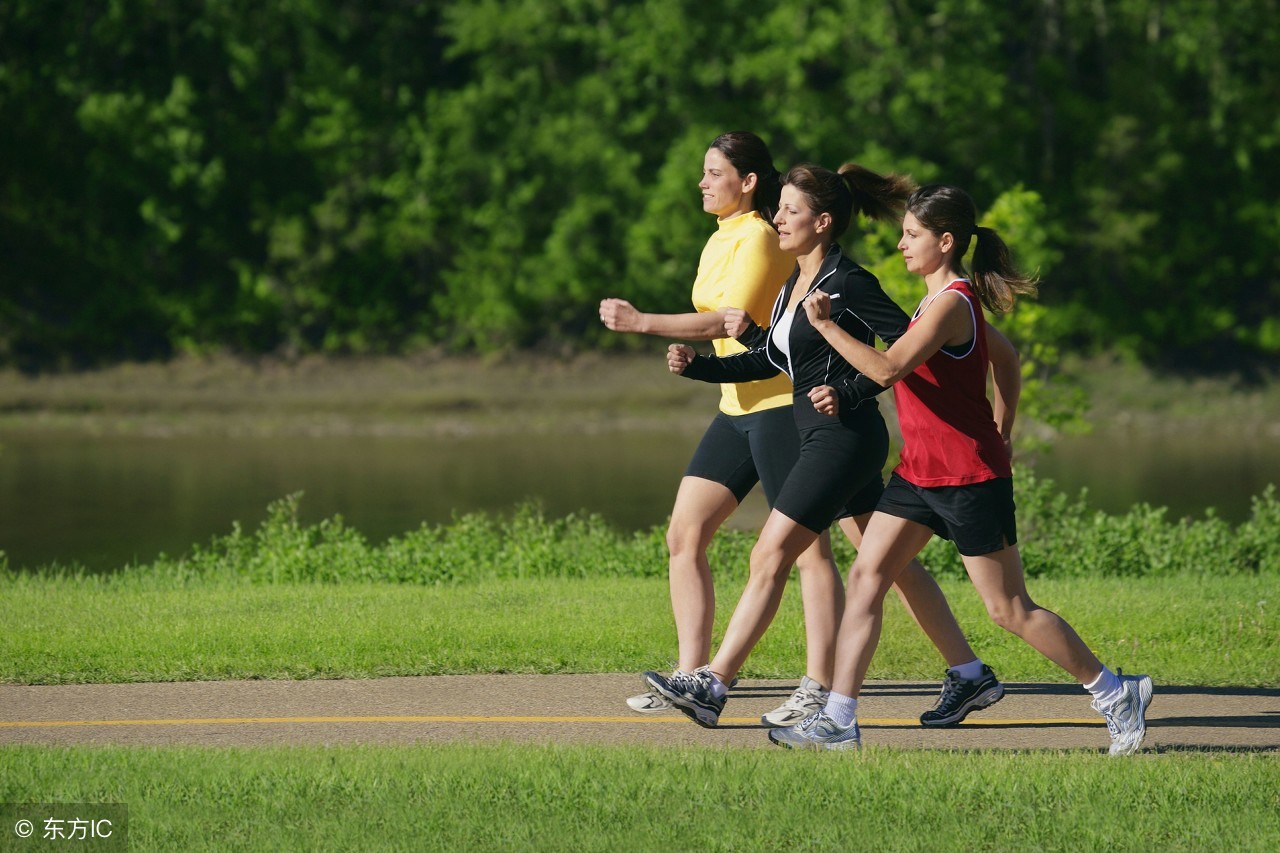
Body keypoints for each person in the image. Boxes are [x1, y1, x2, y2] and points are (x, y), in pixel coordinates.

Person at [769, 184, 1153, 754]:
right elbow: (1006, 358)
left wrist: (827, 326)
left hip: (968, 477)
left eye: (912, 235)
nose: (901, 244)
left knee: (1009, 610)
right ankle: (839, 721)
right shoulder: (932, 304)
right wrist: (1004, 425)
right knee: (867, 576)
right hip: (918, 473)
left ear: (945, 242)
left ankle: (1115, 691)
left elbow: (888, 368)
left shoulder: (952, 303)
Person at [645, 163, 1015, 729]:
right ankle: (968, 672)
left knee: (770, 553)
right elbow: (775, 360)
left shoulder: (850, 282)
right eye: (778, 209)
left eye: (789, 210)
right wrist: (699, 367)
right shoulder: (795, 284)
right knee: (889, 565)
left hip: (844, 439)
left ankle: (713, 684)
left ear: (821, 222)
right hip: (822, 434)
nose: (777, 218)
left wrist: (850, 391)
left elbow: (905, 356)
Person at [600, 131, 845, 724]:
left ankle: (820, 685)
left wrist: (641, 322)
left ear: (748, 181)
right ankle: (689, 675)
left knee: (808, 551)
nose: (703, 182)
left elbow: (722, 321)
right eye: (704, 173)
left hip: (780, 407)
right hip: (736, 408)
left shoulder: (760, 236)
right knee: (684, 536)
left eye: (714, 173)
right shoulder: (720, 237)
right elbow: (720, 324)